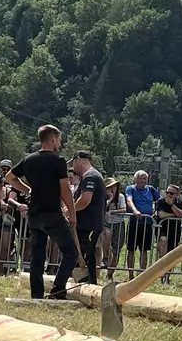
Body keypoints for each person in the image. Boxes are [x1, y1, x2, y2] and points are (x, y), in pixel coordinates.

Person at [7, 125, 78, 301]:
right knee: (71, 253)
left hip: (34, 214)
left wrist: (27, 189)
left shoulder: (29, 159)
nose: (60, 143)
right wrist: (72, 212)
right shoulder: (58, 160)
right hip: (52, 214)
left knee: (37, 256)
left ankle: (36, 295)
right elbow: (65, 190)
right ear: (52, 138)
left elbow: (9, 177)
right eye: (59, 139)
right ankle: (58, 290)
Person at [70, 151, 108, 284]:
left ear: (78, 160)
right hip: (88, 224)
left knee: (86, 255)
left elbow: (85, 200)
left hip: (88, 224)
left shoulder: (90, 176)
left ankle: (88, 284)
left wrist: (70, 210)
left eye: (73, 163)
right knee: (85, 254)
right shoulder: (91, 175)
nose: (73, 167)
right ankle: (85, 283)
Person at [124, 171, 158, 274]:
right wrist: (135, 210)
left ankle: (142, 274)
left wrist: (156, 211)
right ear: (135, 179)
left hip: (147, 224)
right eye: (140, 178)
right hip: (134, 223)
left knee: (144, 250)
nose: (142, 180)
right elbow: (129, 200)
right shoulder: (131, 189)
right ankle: (130, 274)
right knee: (131, 250)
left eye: (144, 179)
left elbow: (160, 201)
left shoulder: (151, 189)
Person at [155, 181, 182, 267]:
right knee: (163, 240)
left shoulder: (179, 202)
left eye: (171, 193)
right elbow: (161, 215)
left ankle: (168, 271)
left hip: (174, 230)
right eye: (167, 192)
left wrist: (172, 205)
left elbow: (180, 214)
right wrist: (174, 215)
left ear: (176, 194)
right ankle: (162, 266)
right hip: (162, 228)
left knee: (172, 252)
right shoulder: (160, 201)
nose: (169, 195)